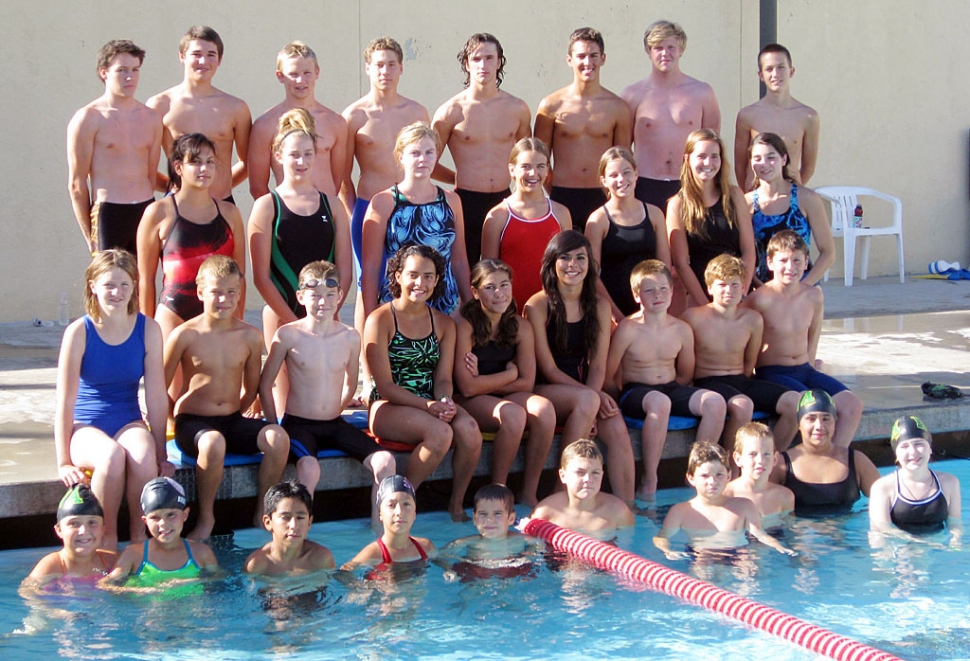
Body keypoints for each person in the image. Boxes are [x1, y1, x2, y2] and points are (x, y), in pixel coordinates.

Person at [258, 261, 395, 526]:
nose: (323, 302)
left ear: (340, 296)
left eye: (330, 295)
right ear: (300, 297)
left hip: (334, 424)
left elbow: (350, 382)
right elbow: (265, 384)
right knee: (310, 469)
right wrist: (275, 427)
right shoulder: (287, 336)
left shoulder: (350, 337)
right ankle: (298, 535)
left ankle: (380, 536)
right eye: (315, 296)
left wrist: (337, 407)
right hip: (299, 425)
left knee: (385, 461)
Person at [164, 255, 290, 540]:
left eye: (232, 292)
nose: (224, 299)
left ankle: (263, 512)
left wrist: (242, 409)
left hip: (231, 420)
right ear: (200, 292)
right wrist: (171, 421)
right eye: (216, 292)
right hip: (193, 423)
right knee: (213, 442)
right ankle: (206, 518)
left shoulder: (250, 336)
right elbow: (158, 384)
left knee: (278, 438)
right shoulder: (184, 335)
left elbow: (254, 386)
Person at [54, 249, 169, 551]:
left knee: (142, 459)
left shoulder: (149, 329)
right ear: (93, 285)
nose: (116, 292)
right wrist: (63, 461)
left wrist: (161, 452)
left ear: (134, 286)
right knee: (111, 457)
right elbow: (64, 401)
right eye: (108, 285)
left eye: (124, 285)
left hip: (128, 419)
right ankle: (105, 543)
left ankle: (137, 539)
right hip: (85, 425)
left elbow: (156, 396)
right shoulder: (79, 331)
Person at [364, 245, 482, 522]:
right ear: (398, 276)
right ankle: (401, 500)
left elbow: (442, 379)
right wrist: (428, 406)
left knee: (470, 429)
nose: (421, 283)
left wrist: (444, 401)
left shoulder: (443, 323)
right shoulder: (380, 319)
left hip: (429, 402)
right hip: (388, 404)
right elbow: (384, 385)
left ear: (438, 280)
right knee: (441, 433)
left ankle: (456, 503)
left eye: (429, 276)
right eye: (413, 275)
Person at [248, 110, 353, 411]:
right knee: (286, 411)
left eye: (308, 154)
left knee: (322, 408)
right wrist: (298, 324)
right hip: (283, 317)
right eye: (294, 154)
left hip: (325, 316)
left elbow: (344, 271)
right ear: (278, 156)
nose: (302, 162)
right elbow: (261, 277)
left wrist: (325, 311)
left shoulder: (332, 205)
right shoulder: (267, 206)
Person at [524, 231, 636, 506]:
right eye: (565, 258)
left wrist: (594, 400)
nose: (573, 264)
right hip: (545, 388)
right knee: (589, 402)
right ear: (552, 263)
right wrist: (592, 398)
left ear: (590, 265)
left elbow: (598, 365)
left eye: (580, 258)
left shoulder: (599, 306)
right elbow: (547, 368)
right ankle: (559, 493)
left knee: (617, 426)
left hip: (586, 391)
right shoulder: (537, 305)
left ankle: (628, 510)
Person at [605, 259, 726, 500]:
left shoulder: (681, 329)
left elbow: (685, 374)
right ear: (637, 295)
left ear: (672, 292)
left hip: (670, 389)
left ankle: (697, 471)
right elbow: (609, 375)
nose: (657, 295)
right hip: (636, 392)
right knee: (660, 403)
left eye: (663, 289)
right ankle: (650, 477)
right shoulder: (627, 329)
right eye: (649, 290)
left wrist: (678, 392)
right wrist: (616, 403)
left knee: (715, 402)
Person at [744, 230, 864, 447]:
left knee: (852, 404)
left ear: (806, 262)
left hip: (804, 369)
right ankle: (778, 461)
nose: (790, 267)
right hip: (772, 371)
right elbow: (742, 337)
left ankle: (833, 457)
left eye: (797, 260)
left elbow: (813, 334)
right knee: (813, 406)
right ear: (770, 263)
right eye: (783, 260)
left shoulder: (813, 296)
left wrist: (812, 363)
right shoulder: (759, 299)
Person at [454, 260, 556, 506]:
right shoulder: (464, 325)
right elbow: (467, 387)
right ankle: (497, 492)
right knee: (513, 415)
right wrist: (509, 376)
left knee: (544, 410)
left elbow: (528, 383)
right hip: (469, 400)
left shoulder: (520, 327)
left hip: (498, 394)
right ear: (475, 292)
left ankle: (529, 492)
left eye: (504, 285)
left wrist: (484, 381)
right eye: (489, 287)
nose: (499, 293)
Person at [137, 132, 247, 344]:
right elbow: (146, 279)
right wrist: (145, 331)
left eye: (210, 162)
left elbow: (239, 274)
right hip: (174, 314)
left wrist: (237, 321)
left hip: (220, 316)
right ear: (178, 168)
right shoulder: (158, 213)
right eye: (195, 162)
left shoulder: (230, 213)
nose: (204, 169)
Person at [682, 254, 800, 449]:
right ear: (709, 287)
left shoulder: (752, 319)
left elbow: (749, 363)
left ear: (744, 288)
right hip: (708, 381)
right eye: (722, 285)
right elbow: (684, 361)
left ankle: (770, 463)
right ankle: (730, 469)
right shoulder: (693, 318)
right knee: (743, 405)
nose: (729, 290)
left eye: (735, 285)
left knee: (795, 403)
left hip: (741, 381)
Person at [433, 33, 532, 262]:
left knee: (504, 270)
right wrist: (457, 178)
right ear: (466, 64)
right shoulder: (451, 111)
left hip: (505, 200)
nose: (483, 65)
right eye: (476, 59)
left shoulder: (517, 108)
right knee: (465, 273)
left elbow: (529, 159)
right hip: (465, 202)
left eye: (489, 58)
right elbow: (428, 163)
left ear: (499, 62)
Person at [340, 36, 431, 285]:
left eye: (391, 64)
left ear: (401, 68)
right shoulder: (354, 116)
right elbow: (342, 174)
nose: (385, 71)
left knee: (415, 282)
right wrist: (354, 213)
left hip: (413, 206)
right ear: (368, 68)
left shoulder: (416, 112)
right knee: (370, 283)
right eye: (379, 64)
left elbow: (427, 160)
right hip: (369, 206)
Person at [361, 122, 471, 318]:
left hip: (445, 305)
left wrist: (471, 306)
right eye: (415, 153)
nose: (423, 159)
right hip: (399, 304)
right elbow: (371, 266)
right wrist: (371, 317)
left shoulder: (452, 200)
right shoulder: (383, 202)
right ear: (400, 156)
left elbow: (460, 259)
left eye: (429, 152)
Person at [68, 39, 161, 256]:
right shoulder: (88, 118)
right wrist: (89, 235)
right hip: (108, 211)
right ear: (104, 72)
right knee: (109, 282)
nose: (130, 77)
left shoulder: (151, 118)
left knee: (143, 282)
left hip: (145, 208)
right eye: (122, 70)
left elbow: (151, 175)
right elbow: (76, 183)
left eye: (135, 70)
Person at [534, 27, 631, 232]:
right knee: (564, 261)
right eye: (581, 56)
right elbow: (539, 158)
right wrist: (554, 192)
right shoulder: (551, 105)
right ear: (569, 59)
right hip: (562, 196)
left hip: (603, 197)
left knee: (600, 261)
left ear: (603, 58)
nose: (588, 62)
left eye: (593, 55)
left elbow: (623, 159)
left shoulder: (618, 107)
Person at [621, 20, 720, 213]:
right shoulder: (632, 95)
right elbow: (622, 148)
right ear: (648, 51)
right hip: (644, 183)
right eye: (658, 48)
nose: (665, 53)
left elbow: (712, 145)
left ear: (681, 50)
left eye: (671, 47)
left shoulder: (702, 93)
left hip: (689, 182)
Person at [147, 26, 251, 201]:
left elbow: (249, 163)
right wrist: (172, 185)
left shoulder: (236, 108)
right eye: (196, 54)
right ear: (182, 56)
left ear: (219, 60)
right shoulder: (160, 105)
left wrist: (221, 185)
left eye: (211, 54)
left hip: (221, 205)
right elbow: (142, 162)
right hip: (177, 205)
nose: (203, 61)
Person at [653, 442, 796, 559]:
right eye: (705, 476)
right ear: (691, 478)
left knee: (750, 566)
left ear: (728, 476)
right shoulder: (681, 512)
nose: (712, 481)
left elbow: (760, 535)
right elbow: (661, 537)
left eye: (719, 475)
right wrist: (668, 551)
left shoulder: (744, 506)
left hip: (739, 553)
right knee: (703, 566)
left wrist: (779, 546)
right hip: (701, 554)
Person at [666, 129, 755, 310]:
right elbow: (682, 264)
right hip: (699, 293)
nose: (708, 162)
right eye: (701, 156)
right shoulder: (677, 204)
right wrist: (707, 306)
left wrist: (741, 292)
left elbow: (748, 250)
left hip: (735, 291)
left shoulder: (735, 195)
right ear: (687, 159)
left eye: (715, 156)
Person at [480, 138, 571, 313]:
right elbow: (488, 273)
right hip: (510, 313)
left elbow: (568, 263)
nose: (533, 173)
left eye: (540, 166)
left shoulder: (561, 213)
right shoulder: (497, 216)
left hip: (552, 311)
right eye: (526, 166)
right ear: (512, 169)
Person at [248, 41, 348, 200]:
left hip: (325, 211)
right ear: (280, 76)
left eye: (307, 73)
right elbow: (257, 187)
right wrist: (278, 213)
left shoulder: (336, 123)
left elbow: (338, 180)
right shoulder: (265, 125)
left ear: (317, 73)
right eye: (293, 74)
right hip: (286, 213)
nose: (301, 80)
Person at [585, 147, 670, 322]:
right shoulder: (598, 220)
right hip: (614, 309)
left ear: (636, 173)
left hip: (650, 309)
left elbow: (664, 267)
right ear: (604, 180)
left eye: (626, 172)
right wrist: (616, 317)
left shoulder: (654, 214)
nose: (621, 179)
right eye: (613, 175)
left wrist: (658, 307)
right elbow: (591, 275)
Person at [769, 390, 879, 515]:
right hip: (798, 533)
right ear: (799, 424)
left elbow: (886, 499)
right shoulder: (781, 465)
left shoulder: (856, 461)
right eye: (811, 419)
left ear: (835, 424)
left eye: (826, 419)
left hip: (846, 532)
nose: (819, 426)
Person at [746, 132, 834, 285]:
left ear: (784, 159)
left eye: (771, 157)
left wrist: (803, 287)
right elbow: (742, 253)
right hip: (763, 289)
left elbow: (828, 252)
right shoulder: (745, 203)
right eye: (757, 158)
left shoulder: (806, 198)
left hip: (802, 286)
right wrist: (761, 289)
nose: (764, 163)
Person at [734, 44, 819, 191]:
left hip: (791, 198)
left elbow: (808, 168)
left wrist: (787, 192)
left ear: (791, 71)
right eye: (769, 69)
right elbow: (740, 167)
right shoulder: (747, 116)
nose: (775, 74)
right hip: (756, 198)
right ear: (761, 75)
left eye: (781, 67)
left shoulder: (808, 116)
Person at [106, 477, 219, 586]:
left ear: (185, 515)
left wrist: (187, 583)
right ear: (145, 521)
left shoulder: (201, 552)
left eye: (171, 515)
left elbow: (220, 578)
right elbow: (107, 586)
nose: (163, 524)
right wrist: (147, 591)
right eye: (155, 517)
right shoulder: (133, 555)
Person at [869, 415, 961, 539]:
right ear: (896, 453)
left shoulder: (950, 482)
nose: (913, 452)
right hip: (899, 551)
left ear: (930, 448)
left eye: (919, 444)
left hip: (937, 548)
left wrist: (956, 545)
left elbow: (954, 524)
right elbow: (881, 530)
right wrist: (919, 544)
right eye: (904, 446)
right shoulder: (882, 487)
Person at [530, 439, 634, 540]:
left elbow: (629, 548)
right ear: (563, 476)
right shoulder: (545, 513)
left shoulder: (618, 512)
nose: (588, 479)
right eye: (580, 472)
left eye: (595, 473)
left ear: (602, 475)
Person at [21, 485, 118, 590]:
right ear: (59, 530)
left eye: (92, 522)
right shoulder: (52, 565)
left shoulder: (110, 561)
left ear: (103, 529)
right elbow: (28, 593)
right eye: (74, 524)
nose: (84, 531)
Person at [244, 480, 336, 575]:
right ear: (268, 522)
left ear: (309, 522)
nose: (294, 526)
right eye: (285, 517)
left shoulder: (321, 558)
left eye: (300, 518)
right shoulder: (257, 564)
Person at [342, 475, 435, 569]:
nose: (399, 512)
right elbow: (343, 573)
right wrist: (359, 584)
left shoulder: (426, 547)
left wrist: (448, 570)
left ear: (414, 514)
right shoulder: (373, 553)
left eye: (406, 504)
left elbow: (440, 561)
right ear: (380, 514)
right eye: (391, 505)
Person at [724, 422, 795, 527]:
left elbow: (790, 535)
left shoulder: (784, 496)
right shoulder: (726, 495)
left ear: (775, 459)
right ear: (738, 459)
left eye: (766, 454)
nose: (760, 460)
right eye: (752, 454)